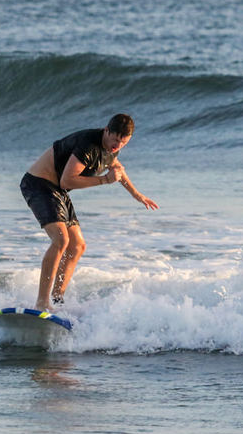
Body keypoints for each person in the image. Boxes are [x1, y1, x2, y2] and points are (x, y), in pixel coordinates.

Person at [20, 114, 158, 310]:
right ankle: (42, 303)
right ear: (106, 130)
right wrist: (104, 180)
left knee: (78, 246)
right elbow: (67, 181)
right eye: (115, 140)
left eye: (123, 143)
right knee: (61, 240)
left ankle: (57, 300)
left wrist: (137, 195)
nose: (117, 145)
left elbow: (117, 169)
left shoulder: (111, 149)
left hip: (56, 191)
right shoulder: (89, 145)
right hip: (38, 184)